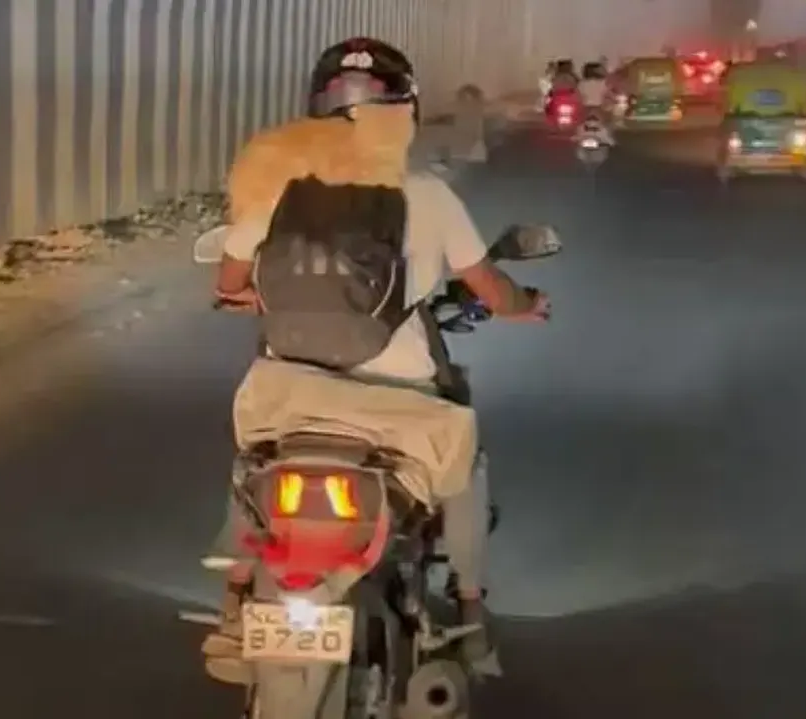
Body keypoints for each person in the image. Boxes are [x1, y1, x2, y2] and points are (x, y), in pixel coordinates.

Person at [200, 37, 550, 680]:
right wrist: (523, 305)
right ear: (404, 113)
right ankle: (470, 614)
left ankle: (232, 599)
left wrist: (241, 295)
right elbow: (489, 289)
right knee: (463, 466)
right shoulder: (427, 194)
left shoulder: (283, 188)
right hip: (403, 407)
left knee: (255, 461)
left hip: (289, 389)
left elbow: (229, 274)